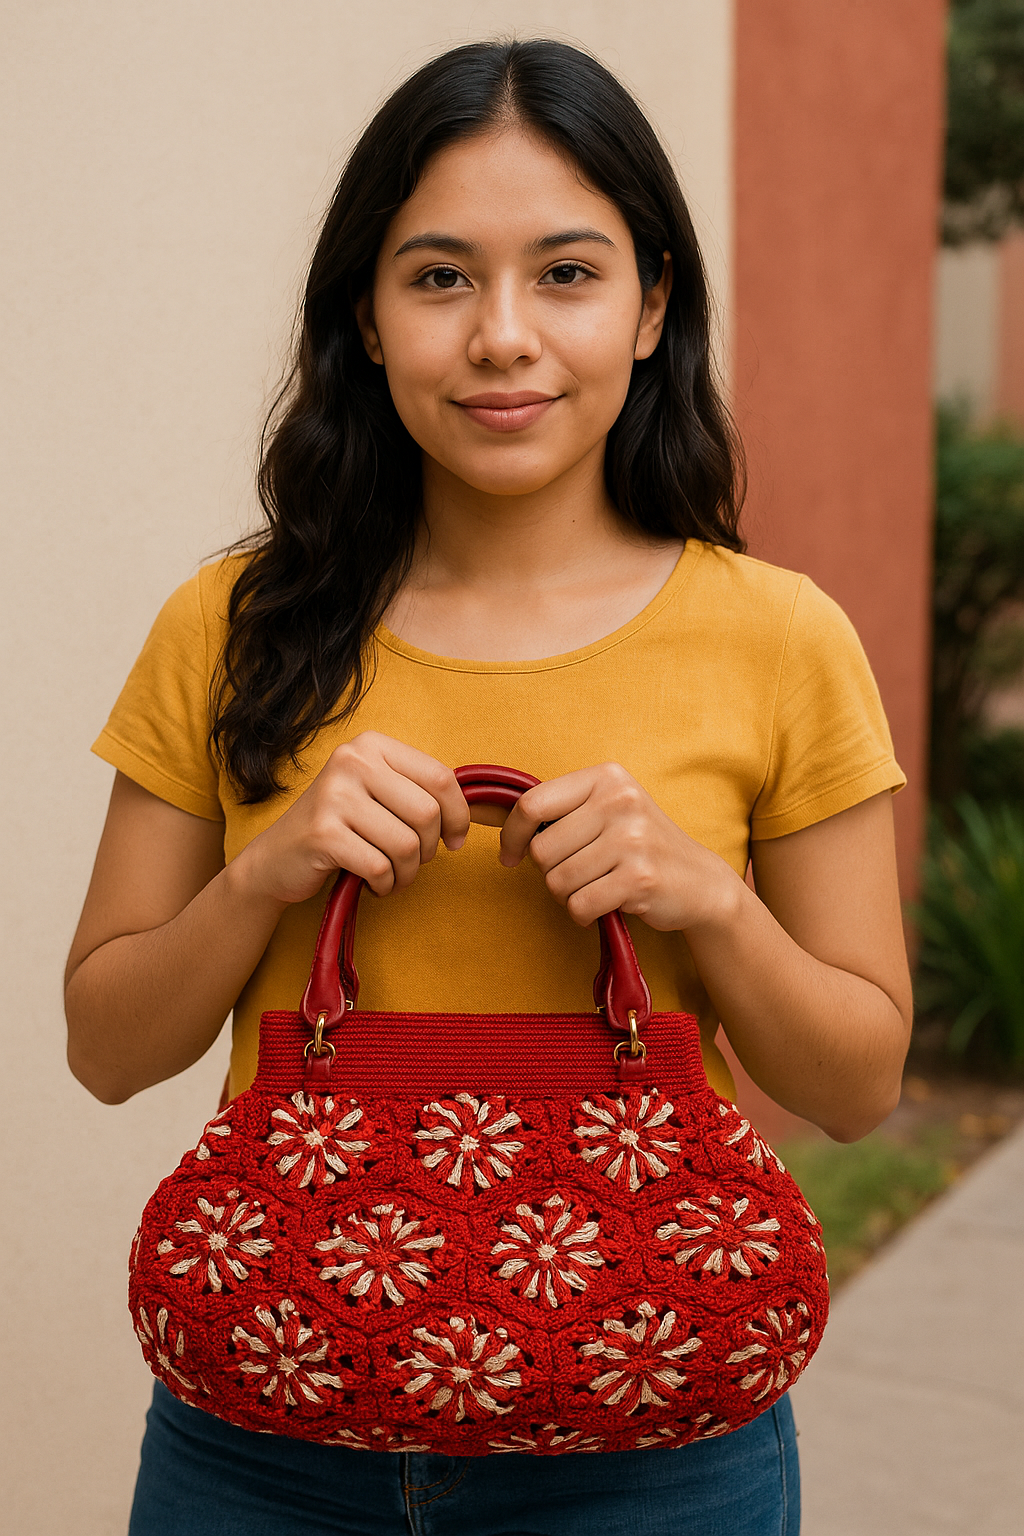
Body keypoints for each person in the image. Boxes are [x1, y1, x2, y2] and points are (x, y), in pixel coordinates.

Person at [65, 37, 912, 1536]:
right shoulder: (232, 626)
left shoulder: (782, 639)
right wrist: (266, 873)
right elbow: (109, 1046)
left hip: (655, 1455)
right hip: (262, 1445)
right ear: (366, 321)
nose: (503, 336)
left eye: (567, 275)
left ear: (654, 306)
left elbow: (856, 1083)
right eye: (441, 277)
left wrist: (706, 898)